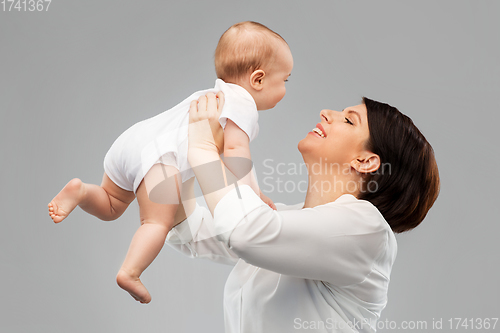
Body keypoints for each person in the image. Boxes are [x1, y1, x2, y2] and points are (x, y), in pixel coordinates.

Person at [47, 21, 293, 304]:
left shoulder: (212, 95)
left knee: (112, 204)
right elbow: (237, 154)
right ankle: (130, 271)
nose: (285, 87)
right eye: (284, 79)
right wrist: (253, 196)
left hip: (131, 141)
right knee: (155, 223)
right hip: (159, 159)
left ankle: (81, 191)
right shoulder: (243, 105)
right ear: (259, 79)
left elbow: (224, 162)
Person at [164, 92, 440, 332]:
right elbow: (192, 231)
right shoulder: (284, 220)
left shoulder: (368, 231)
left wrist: (203, 148)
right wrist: (173, 151)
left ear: (365, 161)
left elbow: (243, 230)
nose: (326, 113)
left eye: (348, 120)